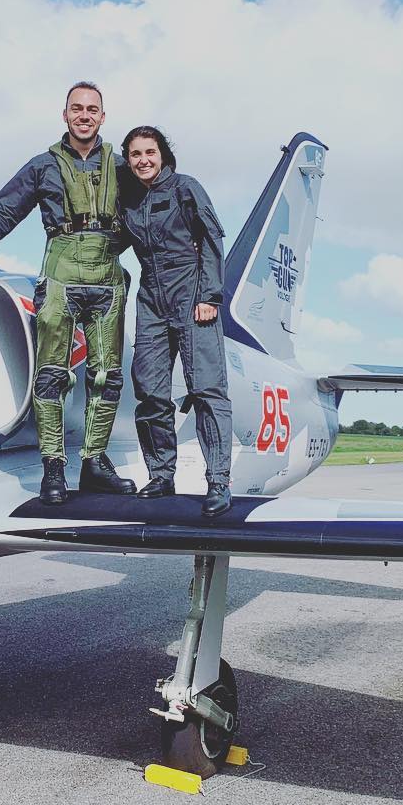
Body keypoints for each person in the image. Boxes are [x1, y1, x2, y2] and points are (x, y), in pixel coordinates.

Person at [0, 82, 137, 506]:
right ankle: (53, 467)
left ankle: (95, 462)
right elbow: (5, 210)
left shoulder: (123, 167)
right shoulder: (42, 166)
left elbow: (156, 211)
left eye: (92, 109)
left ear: (103, 117)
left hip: (108, 276)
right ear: (65, 115)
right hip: (61, 274)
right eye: (76, 109)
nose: (84, 115)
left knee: (107, 376)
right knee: (51, 374)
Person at [119, 126, 233, 517]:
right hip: (151, 296)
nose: (143, 160)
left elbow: (212, 238)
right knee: (149, 389)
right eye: (135, 154)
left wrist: (209, 296)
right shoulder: (129, 200)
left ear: (163, 155)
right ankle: (161, 474)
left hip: (191, 291)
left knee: (206, 389)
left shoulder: (186, 188)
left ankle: (218, 481)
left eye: (149, 152)